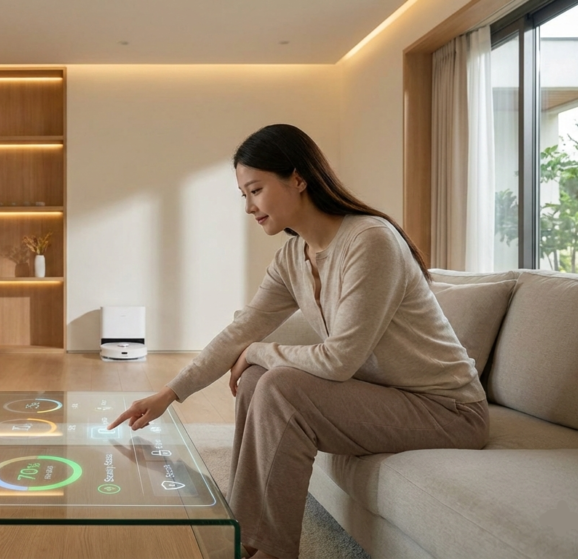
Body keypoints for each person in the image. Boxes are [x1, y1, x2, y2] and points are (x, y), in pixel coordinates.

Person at [107, 124, 488, 559]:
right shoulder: (293, 256)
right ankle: (244, 538)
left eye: (256, 190)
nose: (249, 207)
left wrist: (259, 351)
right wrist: (170, 393)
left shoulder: (370, 240)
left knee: (278, 382)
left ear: (298, 178)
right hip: (387, 395)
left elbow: (340, 359)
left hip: (447, 410)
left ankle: (272, 551)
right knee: (253, 380)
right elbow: (241, 331)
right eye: (243, 195)